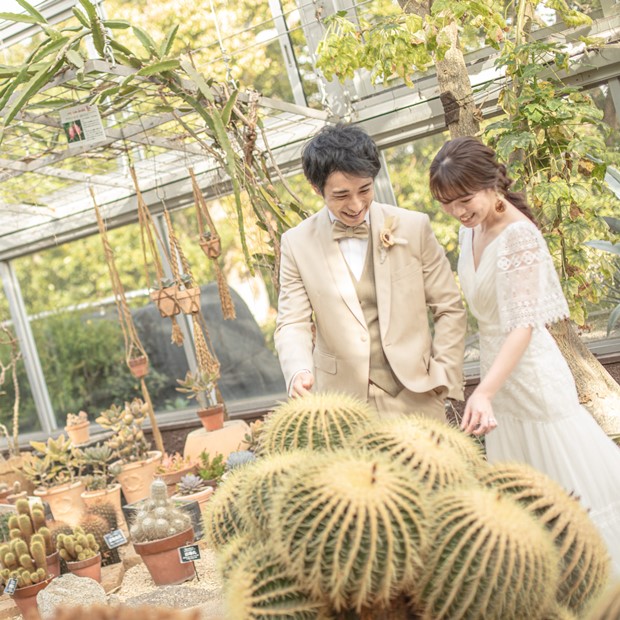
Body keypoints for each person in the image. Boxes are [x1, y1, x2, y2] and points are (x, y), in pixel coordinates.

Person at [429, 135, 620, 573]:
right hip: (500, 383)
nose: (458, 211)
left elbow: (523, 325)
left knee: (569, 494)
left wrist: (484, 392)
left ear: (491, 182)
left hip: (530, 378)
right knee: (526, 502)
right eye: (447, 203)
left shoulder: (518, 237)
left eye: (464, 198)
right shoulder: (470, 228)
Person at [274, 123, 467, 421]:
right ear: (316, 188)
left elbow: (449, 307)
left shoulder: (413, 227)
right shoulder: (296, 243)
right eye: (341, 195)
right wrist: (298, 370)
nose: (356, 205)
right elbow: (292, 322)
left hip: (418, 395)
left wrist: (444, 375)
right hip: (343, 406)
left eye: (365, 189)